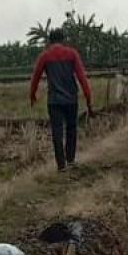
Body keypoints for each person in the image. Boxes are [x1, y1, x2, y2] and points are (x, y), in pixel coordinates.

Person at [29, 29, 95, 172]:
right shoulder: (72, 54)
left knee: (57, 132)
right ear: (62, 39)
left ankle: (61, 165)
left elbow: (35, 78)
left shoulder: (45, 56)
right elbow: (82, 78)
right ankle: (70, 160)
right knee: (71, 130)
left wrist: (32, 95)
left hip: (54, 101)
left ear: (50, 41)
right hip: (71, 99)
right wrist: (89, 99)